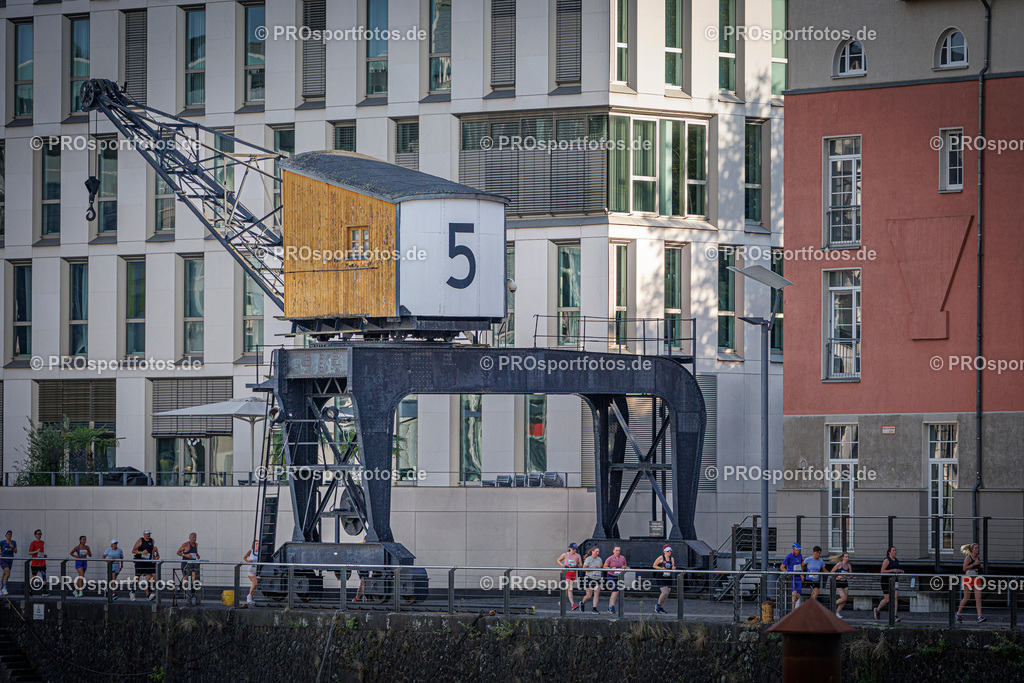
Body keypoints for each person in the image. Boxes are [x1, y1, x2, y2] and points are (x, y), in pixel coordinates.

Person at [957, 543, 986, 623]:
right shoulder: (968, 558)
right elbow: (964, 568)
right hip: (968, 578)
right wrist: (974, 564)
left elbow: (978, 565)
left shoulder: (977, 557)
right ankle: (958, 613)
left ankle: (979, 616)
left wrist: (981, 565)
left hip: (976, 578)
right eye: (976, 548)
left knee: (978, 598)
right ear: (972, 550)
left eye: (978, 548)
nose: (977, 549)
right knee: (966, 597)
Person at [874, 546, 904, 622]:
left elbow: (896, 569)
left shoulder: (896, 560)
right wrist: (892, 570)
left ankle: (894, 615)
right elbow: (882, 571)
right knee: (887, 599)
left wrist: (900, 571)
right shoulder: (887, 560)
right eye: (893, 550)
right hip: (886, 580)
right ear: (889, 552)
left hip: (895, 580)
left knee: (895, 597)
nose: (895, 552)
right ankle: (877, 609)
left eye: (895, 550)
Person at [132, 530, 159, 601]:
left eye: (149, 534)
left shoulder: (152, 541)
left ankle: (149, 595)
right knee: (137, 577)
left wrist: (153, 556)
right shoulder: (140, 540)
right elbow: (133, 550)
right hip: (140, 561)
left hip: (148, 561)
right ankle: (132, 592)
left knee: (149, 578)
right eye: (146, 534)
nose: (148, 535)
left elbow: (152, 549)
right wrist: (141, 552)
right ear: (144, 534)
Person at [176, 532, 202, 605]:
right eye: (193, 537)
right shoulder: (186, 545)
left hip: (193, 565)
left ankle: (192, 594)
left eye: (195, 537)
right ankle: (184, 593)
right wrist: (185, 555)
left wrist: (197, 555)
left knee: (193, 579)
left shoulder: (196, 545)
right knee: (187, 580)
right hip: (186, 565)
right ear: (189, 538)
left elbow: (195, 553)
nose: (194, 539)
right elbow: (178, 552)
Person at [556, 543, 582, 611]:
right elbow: (558, 560)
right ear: (570, 548)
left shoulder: (578, 555)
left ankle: (561, 601)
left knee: (567, 589)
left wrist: (578, 563)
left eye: (576, 549)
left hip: (573, 572)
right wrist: (562, 564)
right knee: (570, 588)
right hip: (567, 571)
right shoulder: (565, 555)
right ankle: (572, 604)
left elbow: (580, 565)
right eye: (573, 549)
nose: (575, 550)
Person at [603, 546, 627, 614]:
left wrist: (624, 567)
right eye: (616, 550)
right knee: (615, 591)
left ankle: (610, 607)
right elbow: (604, 566)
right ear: (613, 551)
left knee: (615, 592)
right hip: (611, 576)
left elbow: (625, 565)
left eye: (619, 550)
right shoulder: (610, 558)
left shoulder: (622, 558)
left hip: (619, 576)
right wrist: (611, 568)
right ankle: (612, 606)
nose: (617, 552)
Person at [652, 545, 675, 614]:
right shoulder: (661, 557)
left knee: (667, 594)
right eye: (668, 551)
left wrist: (673, 568)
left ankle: (661, 607)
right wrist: (661, 568)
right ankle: (658, 605)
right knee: (665, 592)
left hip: (668, 577)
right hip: (661, 577)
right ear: (664, 551)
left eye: (670, 551)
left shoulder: (672, 559)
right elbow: (654, 565)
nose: (669, 552)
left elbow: (672, 566)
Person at [780, 543, 804, 610]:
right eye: (797, 549)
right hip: (792, 577)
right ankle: (792, 611)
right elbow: (782, 567)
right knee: (794, 594)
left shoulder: (800, 555)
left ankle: (788, 606)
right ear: (793, 549)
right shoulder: (789, 556)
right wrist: (788, 573)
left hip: (798, 577)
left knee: (798, 596)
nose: (798, 550)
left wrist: (802, 575)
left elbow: (800, 565)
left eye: (799, 549)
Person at [580, 546, 603, 613]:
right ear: (592, 552)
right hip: (589, 578)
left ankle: (594, 608)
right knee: (589, 595)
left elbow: (601, 566)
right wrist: (592, 568)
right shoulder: (588, 559)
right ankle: (582, 602)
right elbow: (584, 569)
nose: (597, 553)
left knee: (596, 594)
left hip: (597, 578)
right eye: (596, 551)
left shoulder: (599, 559)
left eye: (598, 551)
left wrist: (601, 566)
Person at [830, 551, 852, 618]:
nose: (847, 558)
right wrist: (837, 576)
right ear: (842, 558)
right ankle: (832, 605)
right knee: (843, 597)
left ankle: (837, 612)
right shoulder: (839, 564)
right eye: (846, 557)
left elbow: (851, 575)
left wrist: (849, 575)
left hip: (845, 582)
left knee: (845, 599)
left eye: (848, 557)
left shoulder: (848, 565)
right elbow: (832, 572)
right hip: (838, 582)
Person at [28, 530, 47, 596]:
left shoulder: (42, 542)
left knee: (44, 576)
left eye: (40, 534)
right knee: (34, 577)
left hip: (42, 562)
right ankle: (30, 590)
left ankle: (44, 592)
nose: (40, 535)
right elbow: (29, 552)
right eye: (38, 534)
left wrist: (44, 555)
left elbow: (42, 552)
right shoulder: (33, 543)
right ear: (35, 535)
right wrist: (36, 551)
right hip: (35, 563)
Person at [243, 540, 260, 606]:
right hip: (251, 570)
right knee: (255, 583)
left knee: (256, 585)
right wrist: (248, 561)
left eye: (258, 544)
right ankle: (249, 597)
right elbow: (244, 557)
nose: (257, 545)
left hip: (257, 570)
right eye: (256, 544)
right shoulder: (251, 551)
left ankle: (250, 597)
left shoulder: (260, 552)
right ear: (253, 545)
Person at [0, 531, 17, 596]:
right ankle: (4, 587)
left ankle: (1, 587)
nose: (9, 536)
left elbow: (15, 551)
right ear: (6, 535)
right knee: (8, 573)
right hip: (3, 559)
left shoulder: (13, 542)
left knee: (4, 574)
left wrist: (12, 547)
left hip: (10, 560)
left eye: (10, 535)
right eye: (8, 534)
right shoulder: (2, 542)